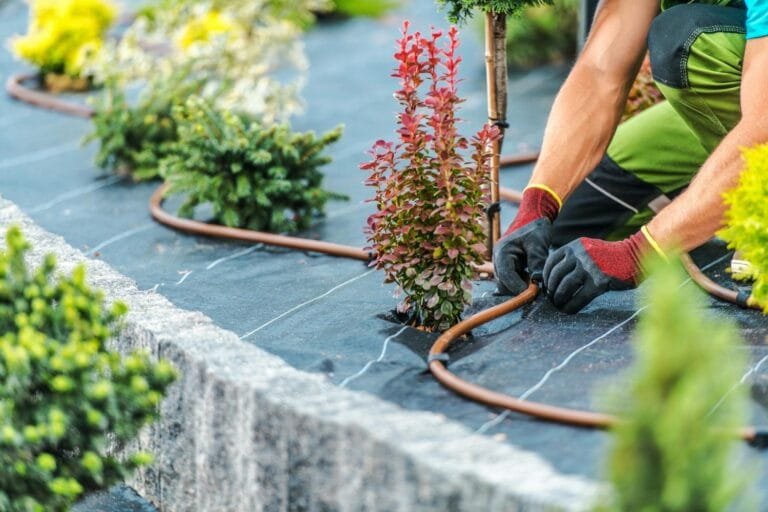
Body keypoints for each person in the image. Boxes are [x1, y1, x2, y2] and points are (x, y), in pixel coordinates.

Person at [493, 0, 768, 313]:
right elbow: (600, 70)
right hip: (751, 88)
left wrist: (639, 253)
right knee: (575, 219)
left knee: (685, 40)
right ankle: (712, 197)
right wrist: (538, 202)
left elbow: (763, 130)